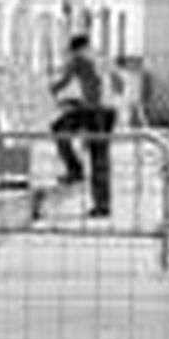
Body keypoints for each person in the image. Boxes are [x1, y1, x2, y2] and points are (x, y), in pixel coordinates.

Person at [50, 33, 116, 217]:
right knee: (101, 156)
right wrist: (80, 101)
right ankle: (103, 203)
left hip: (94, 111)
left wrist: (51, 90)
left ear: (74, 48)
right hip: (110, 111)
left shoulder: (79, 58)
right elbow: (118, 83)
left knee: (59, 129)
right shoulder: (102, 57)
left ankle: (75, 170)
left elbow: (63, 82)